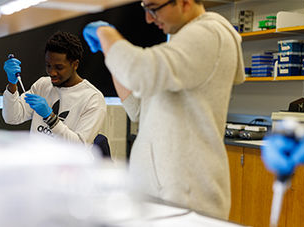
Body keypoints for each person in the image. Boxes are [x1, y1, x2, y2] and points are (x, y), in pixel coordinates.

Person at [82, 0, 245, 219]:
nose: (149, 18)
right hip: (162, 198)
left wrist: (106, 34)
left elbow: (139, 71)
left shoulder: (209, 33)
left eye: (154, 8)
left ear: (184, 2)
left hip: (187, 199)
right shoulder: (181, 45)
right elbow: (137, 109)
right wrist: (109, 54)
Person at [2, 31, 106, 145]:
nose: (52, 72)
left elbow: (79, 146)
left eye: (59, 67)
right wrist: (12, 84)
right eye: (48, 65)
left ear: (75, 64)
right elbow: (11, 117)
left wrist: (50, 118)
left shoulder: (93, 98)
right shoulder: (43, 85)